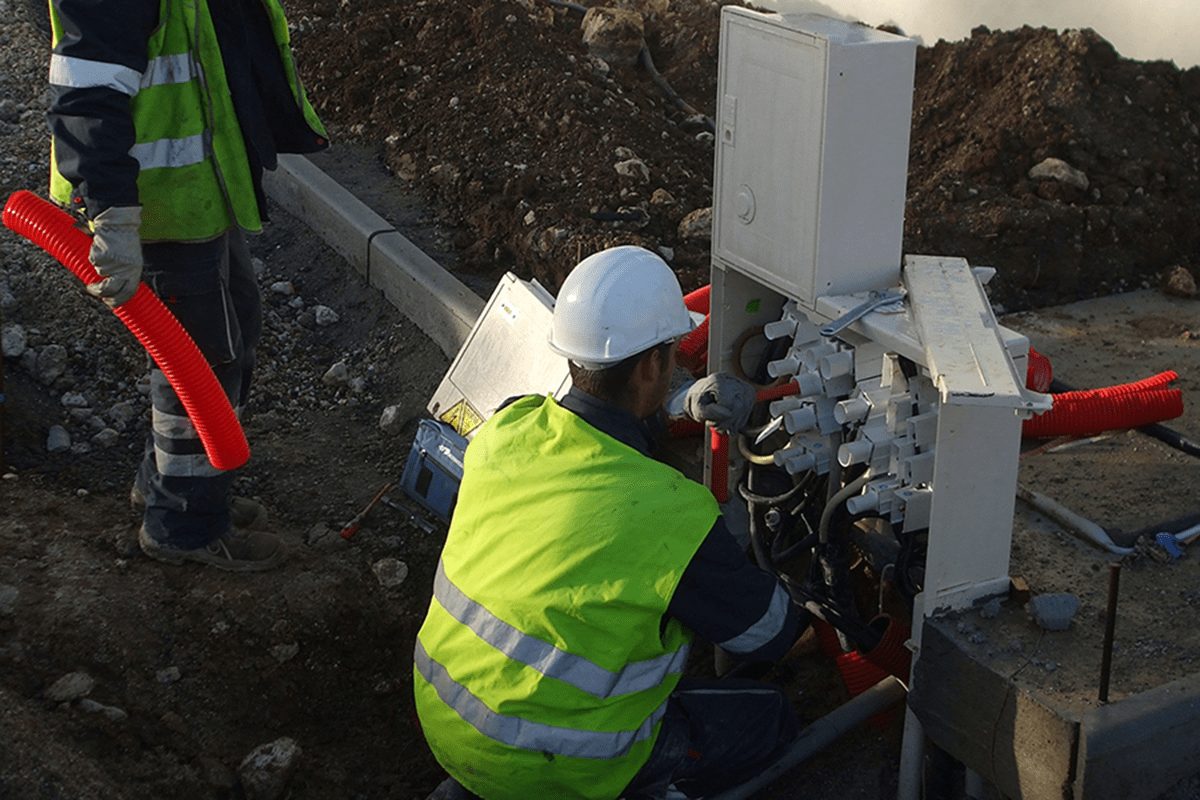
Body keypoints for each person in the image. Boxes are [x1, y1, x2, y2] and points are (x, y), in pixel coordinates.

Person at [414, 246, 808, 800]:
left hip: (447, 722)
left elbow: (593, 425)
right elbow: (768, 633)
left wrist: (677, 405)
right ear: (652, 365)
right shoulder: (670, 515)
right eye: (671, 359)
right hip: (556, 763)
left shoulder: (509, 428)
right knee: (771, 718)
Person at [46, 0, 328, 570]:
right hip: (156, 206)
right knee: (196, 366)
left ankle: (164, 482)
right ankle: (185, 523)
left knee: (233, 328)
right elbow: (87, 92)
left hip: (199, 195)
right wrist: (114, 216)